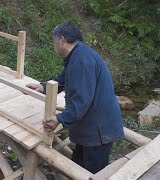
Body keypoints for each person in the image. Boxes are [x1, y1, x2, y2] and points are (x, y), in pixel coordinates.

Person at [26, 23, 124, 174]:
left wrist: (60, 118)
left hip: (98, 130)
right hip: (92, 126)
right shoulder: (78, 55)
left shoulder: (82, 60)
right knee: (77, 168)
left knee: (92, 173)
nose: (54, 45)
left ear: (62, 40)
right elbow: (65, 78)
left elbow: (82, 100)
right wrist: (43, 87)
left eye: (54, 41)